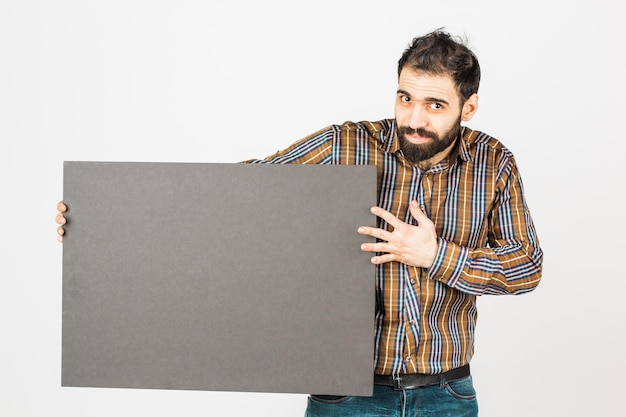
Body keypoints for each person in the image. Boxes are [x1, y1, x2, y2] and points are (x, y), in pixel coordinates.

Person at [57, 29, 543, 417]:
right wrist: (96, 220)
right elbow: (233, 198)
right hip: (345, 399)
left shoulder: (494, 164)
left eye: (435, 105)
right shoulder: (343, 145)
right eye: (404, 98)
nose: (413, 118)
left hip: (447, 396)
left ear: (469, 106)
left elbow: (527, 268)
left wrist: (434, 255)